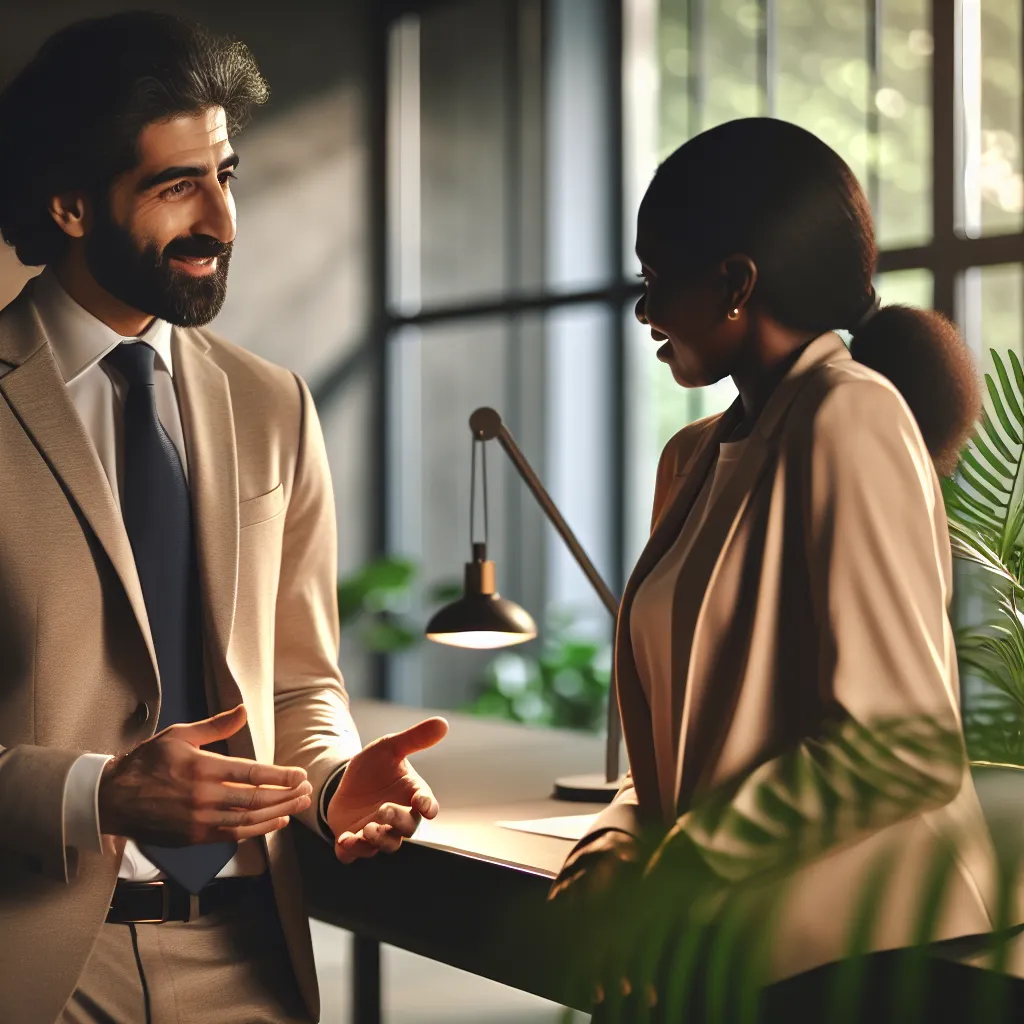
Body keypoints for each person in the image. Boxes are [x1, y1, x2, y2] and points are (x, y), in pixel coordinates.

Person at [0, 13, 447, 1024]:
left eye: (227, 175)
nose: (223, 222)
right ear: (70, 204)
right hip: (33, 967)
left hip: (248, 958)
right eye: (177, 187)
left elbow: (298, 678)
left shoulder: (272, 403)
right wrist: (97, 794)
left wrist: (334, 783)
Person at [549, 117, 1021, 1010]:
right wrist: (615, 843)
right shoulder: (692, 457)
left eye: (657, 281)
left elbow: (899, 747)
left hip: (865, 954)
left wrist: (678, 867)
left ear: (735, 283)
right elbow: (693, 743)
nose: (644, 311)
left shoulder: (852, 418)